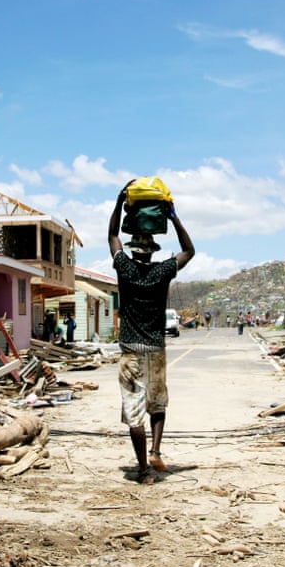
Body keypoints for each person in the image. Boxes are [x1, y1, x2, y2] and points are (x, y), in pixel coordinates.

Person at [108, 181, 195, 484]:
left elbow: (113, 235)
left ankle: (144, 470)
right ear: (153, 250)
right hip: (156, 349)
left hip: (131, 352)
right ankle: (156, 450)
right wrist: (173, 217)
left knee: (134, 414)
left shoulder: (125, 269)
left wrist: (119, 203)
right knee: (157, 404)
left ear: (134, 250)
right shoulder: (161, 272)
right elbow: (189, 250)